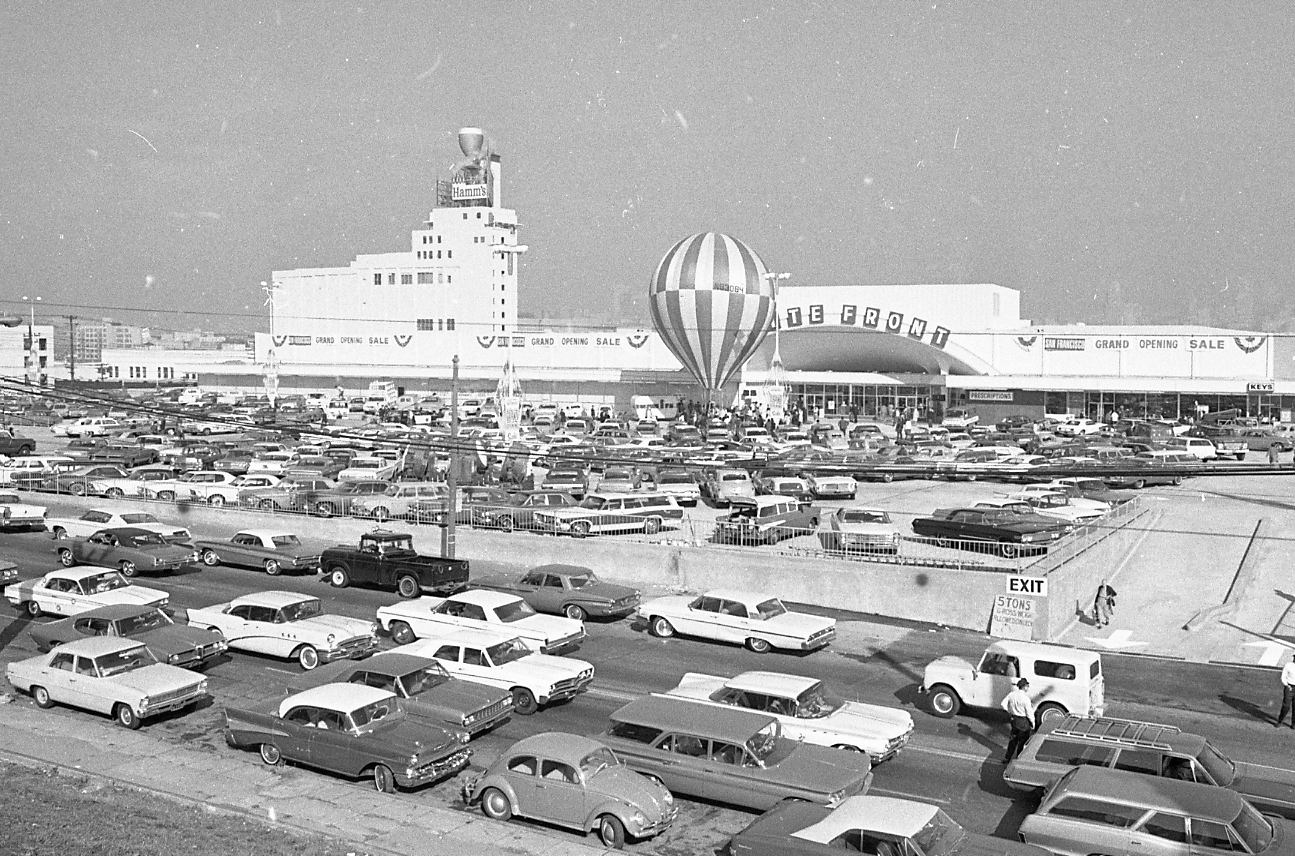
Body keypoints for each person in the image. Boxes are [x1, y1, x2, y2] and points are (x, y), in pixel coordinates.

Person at [1001, 678, 1035, 763]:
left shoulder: (1011, 695)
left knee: (1013, 739)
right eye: (1027, 686)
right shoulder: (1026, 699)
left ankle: (1007, 757)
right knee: (1022, 742)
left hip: (1015, 719)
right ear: (1024, 687)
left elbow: (1003, 704)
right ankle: (1018, 759)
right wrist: (1033, 723)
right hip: (1024, 721)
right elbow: (1029, 713)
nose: (1028, 688)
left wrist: (1010, 711)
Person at [1277, 655, 1295, 728]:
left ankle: (1293, 724)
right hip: (1289, 687)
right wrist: (1286, 685)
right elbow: (1283, 677)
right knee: (1286, 706)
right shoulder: (1288, 665)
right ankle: (1280, 720)